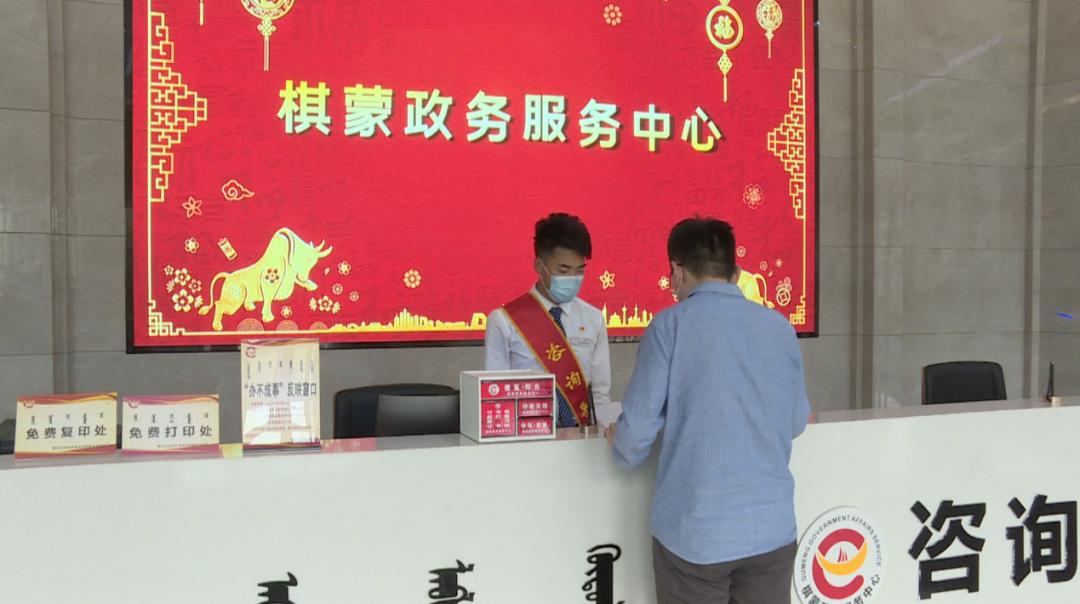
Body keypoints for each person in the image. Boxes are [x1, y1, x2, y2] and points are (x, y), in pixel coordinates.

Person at [606, 217, 810, 604]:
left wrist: (619, 443)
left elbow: (632, 444)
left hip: (697, 536)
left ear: (677, 271)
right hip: (772, 532)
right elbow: (796, 421)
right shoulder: (780, 328)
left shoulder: (669, 327)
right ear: (736, 273)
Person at [484, 213, 611, 428]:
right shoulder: (504, 321)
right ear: (539, 265)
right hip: (528, 436)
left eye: (579, 271)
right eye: (563, 270)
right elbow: (495, 395)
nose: (572, 278)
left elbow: (600, 392)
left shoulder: (594, 319)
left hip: (582, 436)